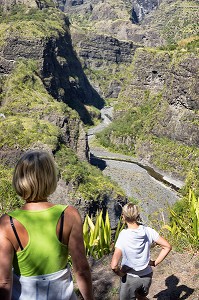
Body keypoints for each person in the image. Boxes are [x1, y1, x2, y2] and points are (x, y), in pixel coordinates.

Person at [0, 150, 94, 300]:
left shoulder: (7, 223)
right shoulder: (69, 215)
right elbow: (81, 270)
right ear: (50, 178)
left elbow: (4, 282)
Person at [111, 203, 172, 300]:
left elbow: (114, 265)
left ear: (123, 217)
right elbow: (167, 246)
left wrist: (121, 274)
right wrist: (154, 263)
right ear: (138, 216)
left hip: (130, 278)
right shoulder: (148, 231)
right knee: (140, 296)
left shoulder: (123, 235)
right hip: (147, 276)